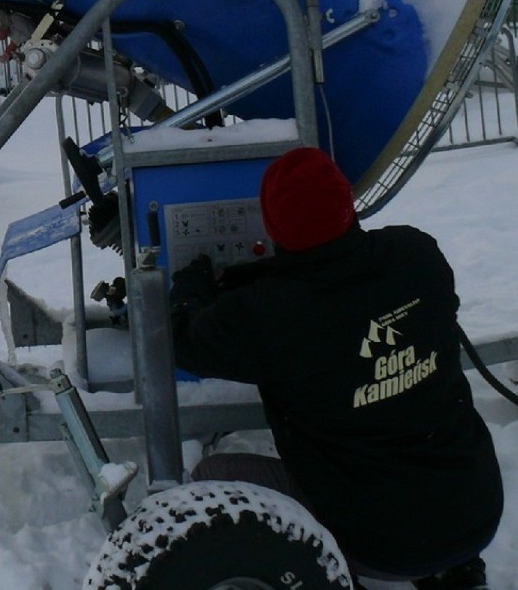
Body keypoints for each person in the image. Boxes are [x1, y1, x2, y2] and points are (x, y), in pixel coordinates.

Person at [170, 147, 503, 589]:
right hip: (475, 512)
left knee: (211, 477)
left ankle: (328, 574)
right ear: (349, 203)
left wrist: (191, 290)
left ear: (272, 227)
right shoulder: (417, 256)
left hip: (377, 546)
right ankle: (453, 569)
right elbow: (347, 296)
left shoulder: (269, 315)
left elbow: (184, 341)